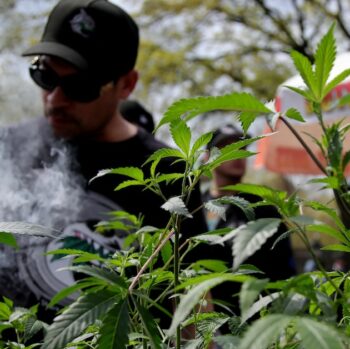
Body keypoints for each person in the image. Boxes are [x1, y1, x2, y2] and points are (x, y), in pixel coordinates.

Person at [0, 0, 207, 324]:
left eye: (79, 86)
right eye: (45, 75)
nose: (55, 98)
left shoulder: (170, 174)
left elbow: (193, 301)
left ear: (126, 85)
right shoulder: (7, 146)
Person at [202, 124, 296, 313]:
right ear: (207, 157)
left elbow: (284, 268)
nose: (238, 154)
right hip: (200, 320)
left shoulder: (262, 209)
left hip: (249, 317)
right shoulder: (193, 206)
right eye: (227, 149)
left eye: (242, 148)